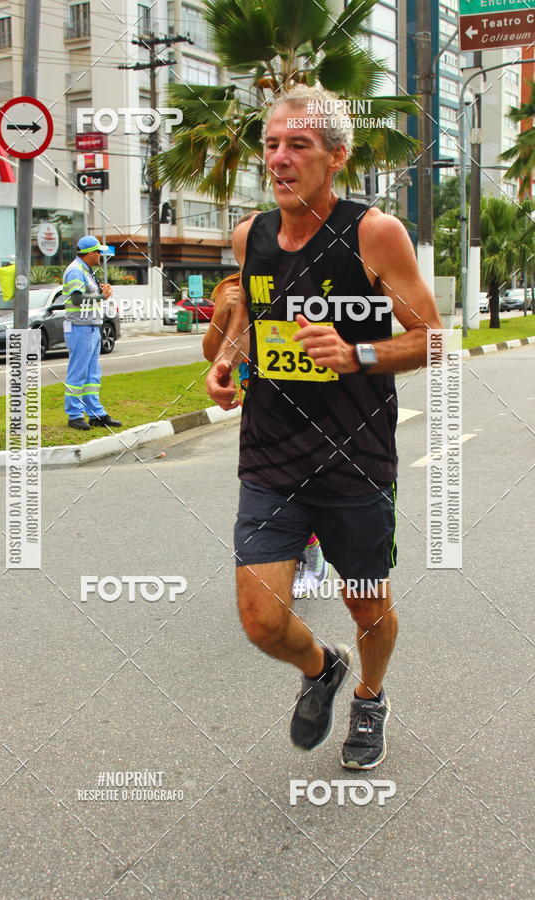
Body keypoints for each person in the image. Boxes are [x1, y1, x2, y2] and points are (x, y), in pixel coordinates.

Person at [207, 85, 441, 769]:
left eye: (298, 145)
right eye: (271, 144)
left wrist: (356, 353)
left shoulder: (374, 233)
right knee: (261, 620)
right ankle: (322, 668)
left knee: (368, 608)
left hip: (355, 461)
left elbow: (431, 339)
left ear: (336, 156)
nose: (279, 158)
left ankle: (370, 695)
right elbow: (250, 322)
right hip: (271, 457)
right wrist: (227, 360)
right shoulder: (250, 236)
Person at [203, 262, 330, 599]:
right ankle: (302, 555)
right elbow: (212, 353)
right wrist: (221, 312)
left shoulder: (306, 275)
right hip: (261, 402)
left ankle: (311, 551)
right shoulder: (232, 287)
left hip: (314, 396)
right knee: (274, 486)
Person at [61, 235, 122, 431]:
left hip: (91, 327)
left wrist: (100, 293)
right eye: (98, 252)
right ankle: (75, 415)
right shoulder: (75, 271)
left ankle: (96, 414)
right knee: (78, 374)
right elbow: (77, 299)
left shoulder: (85, 270)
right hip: (80, 328)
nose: (100, 256)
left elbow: (86, 295)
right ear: (90, 253)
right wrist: (101, 296)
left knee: (92, 375)